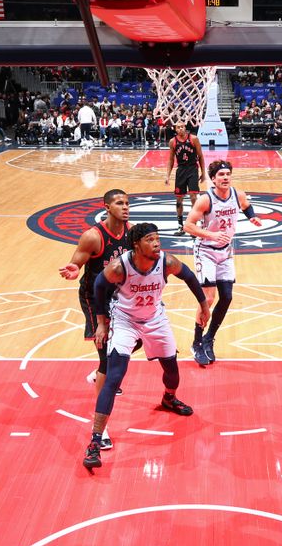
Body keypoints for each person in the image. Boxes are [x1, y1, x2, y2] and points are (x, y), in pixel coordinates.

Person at [82, 223, 210, 470]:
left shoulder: (166, 261)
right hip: (125, 321)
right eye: (150, 240)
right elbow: (98, 286)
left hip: (155, 319)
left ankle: (169, 399)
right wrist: (101, 322)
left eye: (157, 239)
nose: (156, 243)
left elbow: (190, 277)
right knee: (114, 377)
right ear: (136, 244)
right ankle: (95, 440)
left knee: (172, 372)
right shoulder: (120, 267)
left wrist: (204, 306)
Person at [59, 189, 131, 451]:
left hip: (119, 298)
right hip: (94, 299)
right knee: (107, 362)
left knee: (134, 342)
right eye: (119, 203)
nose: (125, 207)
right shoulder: (93, 236)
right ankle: (102, 427)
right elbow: (77, 261)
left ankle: (95, 376)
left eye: (127, 203)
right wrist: (74, 268)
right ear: (107, 207)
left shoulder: (131, 233)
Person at [183, 160, 261, 366]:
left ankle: (209, 338)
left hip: (225, 252)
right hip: (206, 250)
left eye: (228, 174)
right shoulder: (205, 200)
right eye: (221, 175)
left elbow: (246, 206)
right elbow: (188, 226)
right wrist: (212, 234)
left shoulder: (238, 194)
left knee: (226, 297)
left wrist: (252, 217)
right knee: (208, 299)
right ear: (213, 178)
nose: (225, 177)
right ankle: (197, 342)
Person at [165, 122, 206, 236]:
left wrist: (203, 172)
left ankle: (193, 226)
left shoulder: (194, 139)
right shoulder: (173, 142)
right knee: (179, 200)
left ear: (185, 128)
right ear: (175, 129)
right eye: (178, 127)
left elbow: (201, 156)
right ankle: (180, 226)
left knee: (194, 197)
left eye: (182, 126)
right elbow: (170, 160)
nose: (181, 128)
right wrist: (167, 175)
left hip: (192, 169)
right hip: (181, 171)